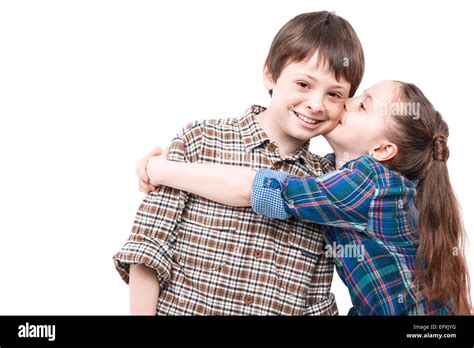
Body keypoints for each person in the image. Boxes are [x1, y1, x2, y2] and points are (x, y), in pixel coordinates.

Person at [140, 80, 473, 315]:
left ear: (382, 150)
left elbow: (254, 188)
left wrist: (162, 171)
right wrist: (179, 154)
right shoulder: (337, 177)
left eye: (362, 105)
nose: (345, 103)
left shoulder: (370, 184)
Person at [113, 11, 365, 315]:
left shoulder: (326, 183)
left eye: (334, 94)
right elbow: (149, 247)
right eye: (303, 84)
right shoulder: (200, 140)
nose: (315, 104)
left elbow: (317, 295)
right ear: (270, 74)